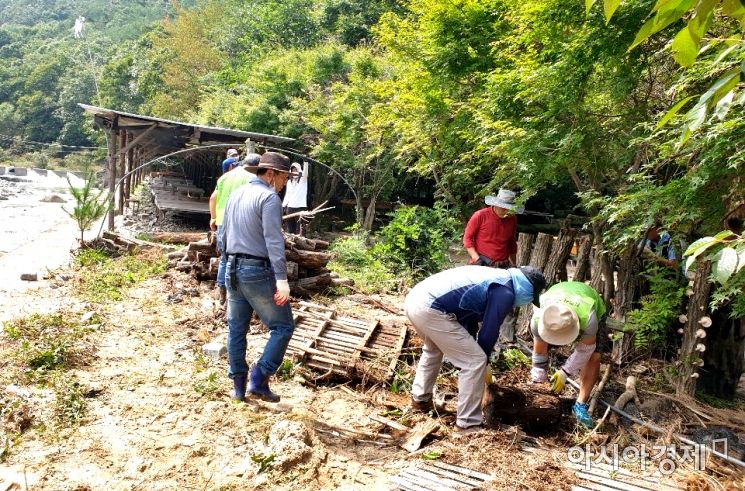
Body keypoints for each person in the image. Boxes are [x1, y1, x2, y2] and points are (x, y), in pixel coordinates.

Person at [405, 265, 546, 434]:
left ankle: (420, 401)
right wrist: (483, 360)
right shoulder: (505, 291)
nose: (527, 301)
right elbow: (490, 330)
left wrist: (474, 349)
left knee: (434, 349)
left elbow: (467, 320)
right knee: (474, 361)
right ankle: (468, 425)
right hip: (431, 307)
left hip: (416, 300)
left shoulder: (497, 278)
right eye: (530, 297)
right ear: (527, 288)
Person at [220, 152, 298, 403]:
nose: (285, 183)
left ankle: (239, 388)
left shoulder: (236, 194)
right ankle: (260, 377)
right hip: (256, 270)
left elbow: (223, 234)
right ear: (272, 174)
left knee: (236, 329)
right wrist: (282, 280)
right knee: (283, 326)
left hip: (232, 267)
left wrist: (224, 270)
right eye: (285, 177)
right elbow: (274, 241)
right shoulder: (269, 198)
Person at [529, 281, 607, 428]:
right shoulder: (538, 318)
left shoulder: (589, 317)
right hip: (558, 298)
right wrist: (538, 379)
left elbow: (585, 350)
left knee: (594, 357)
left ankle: (581, 404)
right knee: (539, 372)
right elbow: (539, 352)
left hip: (589, 303)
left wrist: (565, 372)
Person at [209, 153, 260, 303]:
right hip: (239, 221)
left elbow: (213, 197)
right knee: (241, 256)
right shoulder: (252, 177)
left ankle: (221, 287)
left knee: (224, 256)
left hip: (222, 220)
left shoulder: (225, 177)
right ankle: (238, 292)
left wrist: (213, 217)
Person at [463, 188, 522, 268]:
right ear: (496, 204)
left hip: (502, 265)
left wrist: (514, 265)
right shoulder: (480, 215)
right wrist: (477, 259)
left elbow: (511, 243)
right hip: (481, 264)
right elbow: (467, 238)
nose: (507, 211)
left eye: (509, 208)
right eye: (504, 208)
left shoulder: (512, 218)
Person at [282, 162, 309, 236]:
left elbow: (305, 172)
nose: (294, 172)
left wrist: (305, 162)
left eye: (296, 170)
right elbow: (287, 195)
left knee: (301, 229)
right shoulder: (289, 182)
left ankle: (303, 245)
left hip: (301, 207)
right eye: (293, 170)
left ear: (299, 170)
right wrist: (283, 206)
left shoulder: (303, 180)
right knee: (290, 229)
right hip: (290, 208)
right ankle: (291, 244)